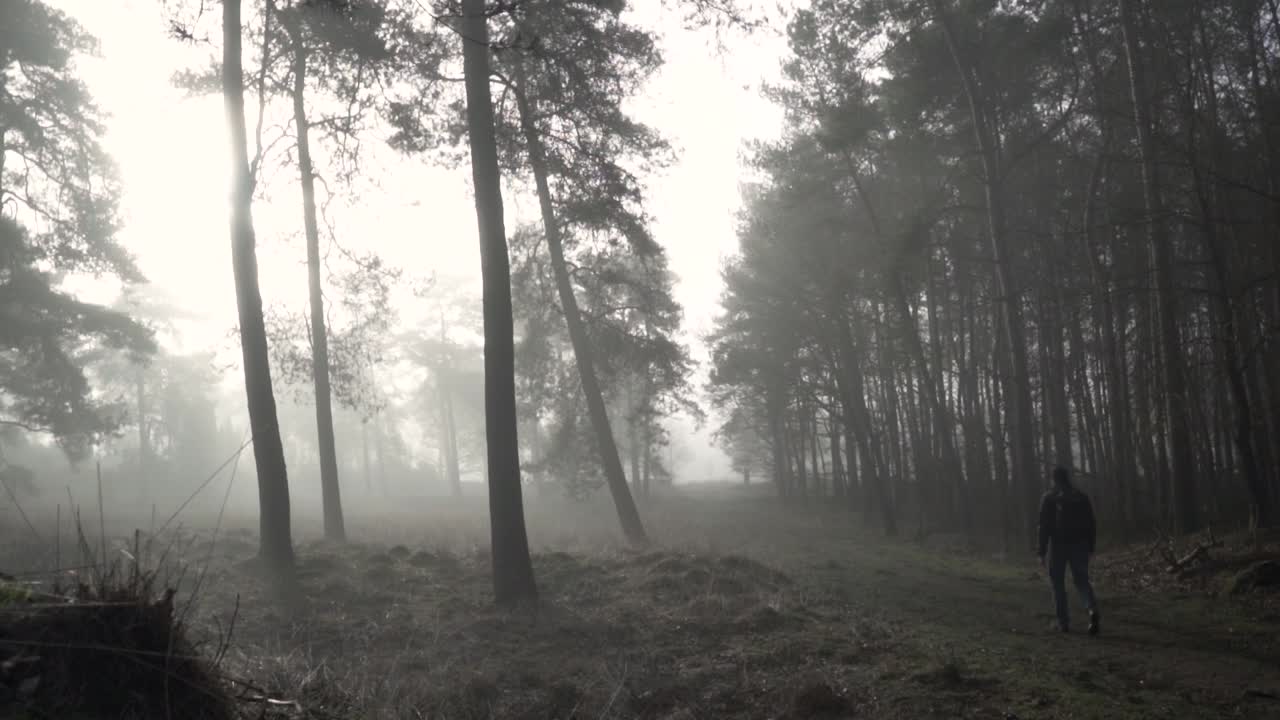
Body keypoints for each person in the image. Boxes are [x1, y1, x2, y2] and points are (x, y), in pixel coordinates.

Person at [1037, 466, 1100, 635]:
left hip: (1058, 546)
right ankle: (1092, 609)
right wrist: (1091, 545)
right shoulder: (1081, 497)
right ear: (1068, 478)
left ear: (1053, 479)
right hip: (1080, 544)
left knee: (1057, 583)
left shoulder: (1049, 498)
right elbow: (1091, 522)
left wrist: (1041, 551)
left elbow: (1043, 526)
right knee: (1081, 580)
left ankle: (1063, 622)